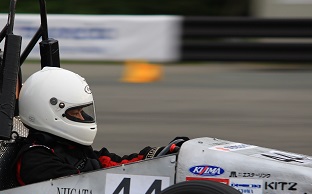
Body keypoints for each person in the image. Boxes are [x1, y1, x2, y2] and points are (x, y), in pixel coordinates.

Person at [15, 67, 186, 185]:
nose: (82, 117)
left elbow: (114, 164)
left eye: (82, 111)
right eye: (75, 113)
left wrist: (157, 156)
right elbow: (87, 188)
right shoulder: (36, 160)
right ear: (48, 112)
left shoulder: (69, 147)